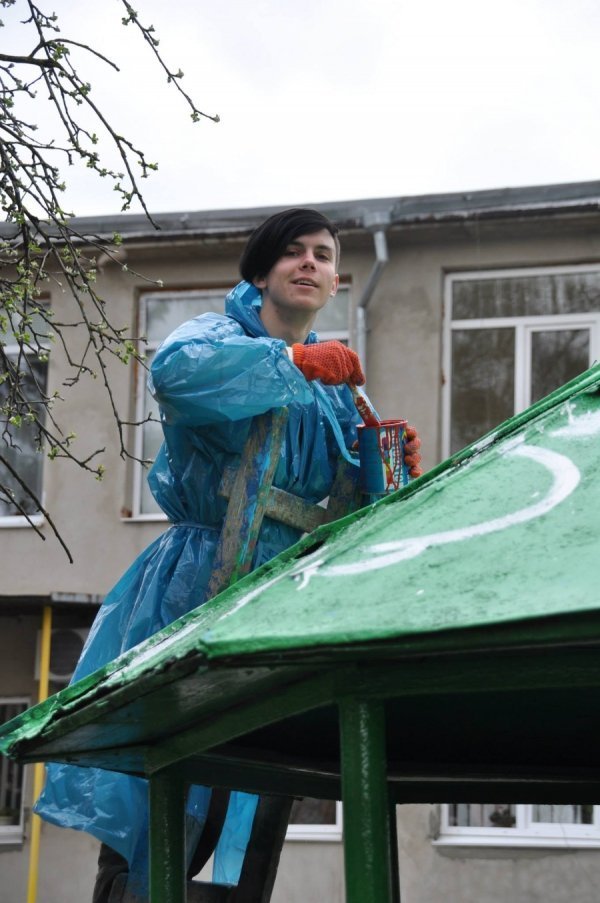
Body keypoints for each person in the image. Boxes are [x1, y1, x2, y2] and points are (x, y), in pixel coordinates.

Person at [34, 208, 422, 899]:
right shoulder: (216, 336)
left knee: (256, 793)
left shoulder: (340, 390)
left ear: (335, 281)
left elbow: (348, 514)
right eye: (293, 252)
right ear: (261, 271)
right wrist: (290, 360)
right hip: (198, 592)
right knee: (170, 799)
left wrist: (385, 469)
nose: (309, 263)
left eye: (324, 255)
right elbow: (179, 375)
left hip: (283, 613)